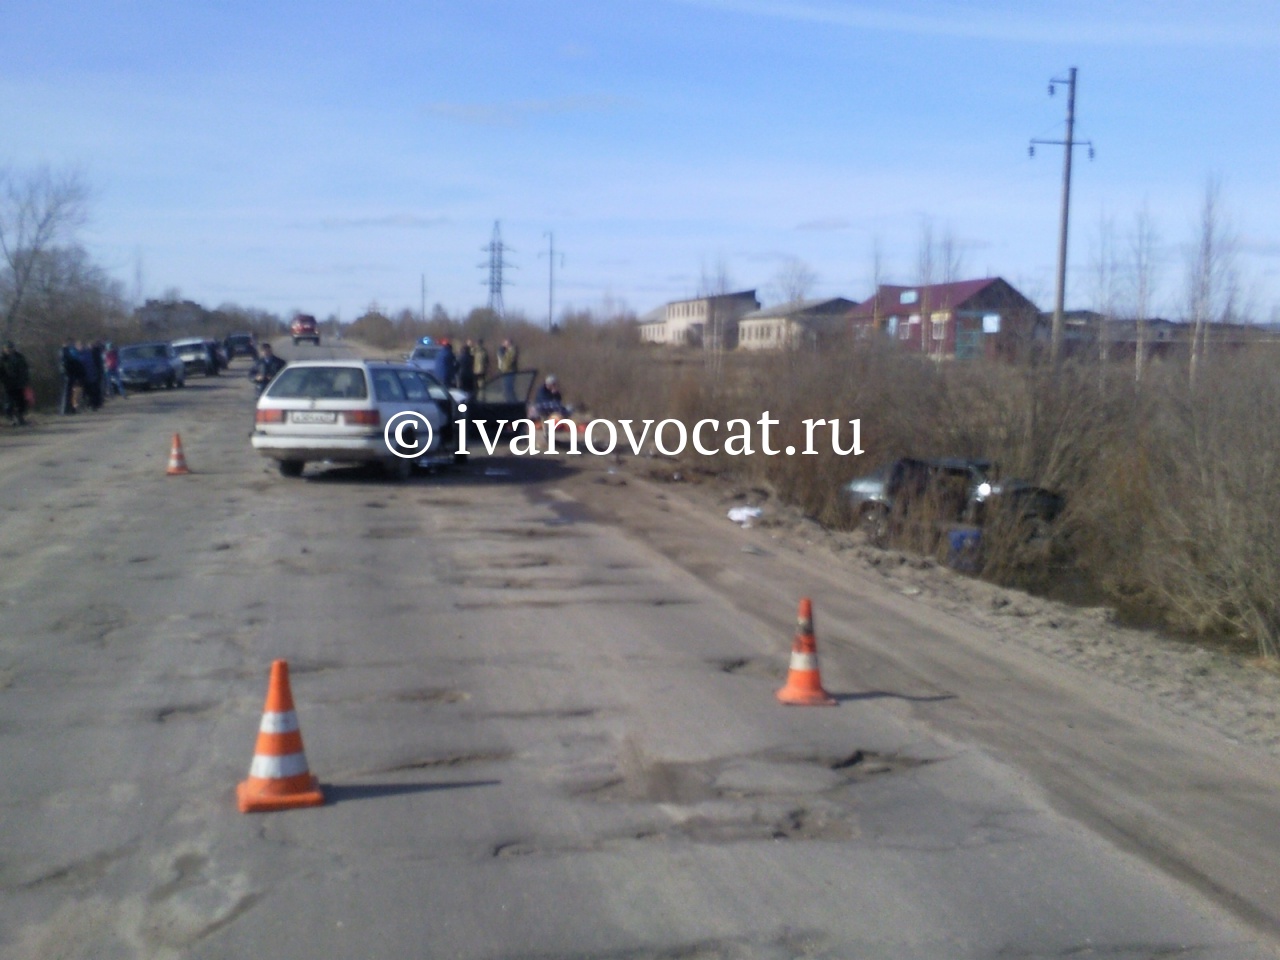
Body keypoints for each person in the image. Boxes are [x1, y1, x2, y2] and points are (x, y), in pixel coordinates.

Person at [0, 341, 30, 426]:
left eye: (11, 348)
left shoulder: (20, 357)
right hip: (8, 384)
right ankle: (11, 418)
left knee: (21, 402)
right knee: (9, 403)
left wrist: (26, 380)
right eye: (7, 348)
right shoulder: (2, 359)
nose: (9, 350)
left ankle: (20, 417)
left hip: (20, 383)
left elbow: (25, 369)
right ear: (4, 349)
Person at [59, 338, 85, 414]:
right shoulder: (65, 352)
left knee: (69, 393)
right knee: (67, 393)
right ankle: (65, 410)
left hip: (69, 374)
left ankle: (68, 409)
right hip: (68, 374)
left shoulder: (66, 351)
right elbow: (68, 364)